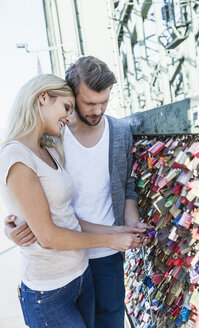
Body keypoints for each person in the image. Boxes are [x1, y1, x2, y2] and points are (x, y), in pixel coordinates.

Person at [5, 57, 150, 328]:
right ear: (71, 95)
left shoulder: (120, 132)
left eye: (104, 102)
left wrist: (128, 226)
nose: (97, 110)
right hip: (64, 262)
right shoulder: (50, 138)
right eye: (88, 103)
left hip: (106, 256)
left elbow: (128, 185)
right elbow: (25, 194)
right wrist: (12, 225)